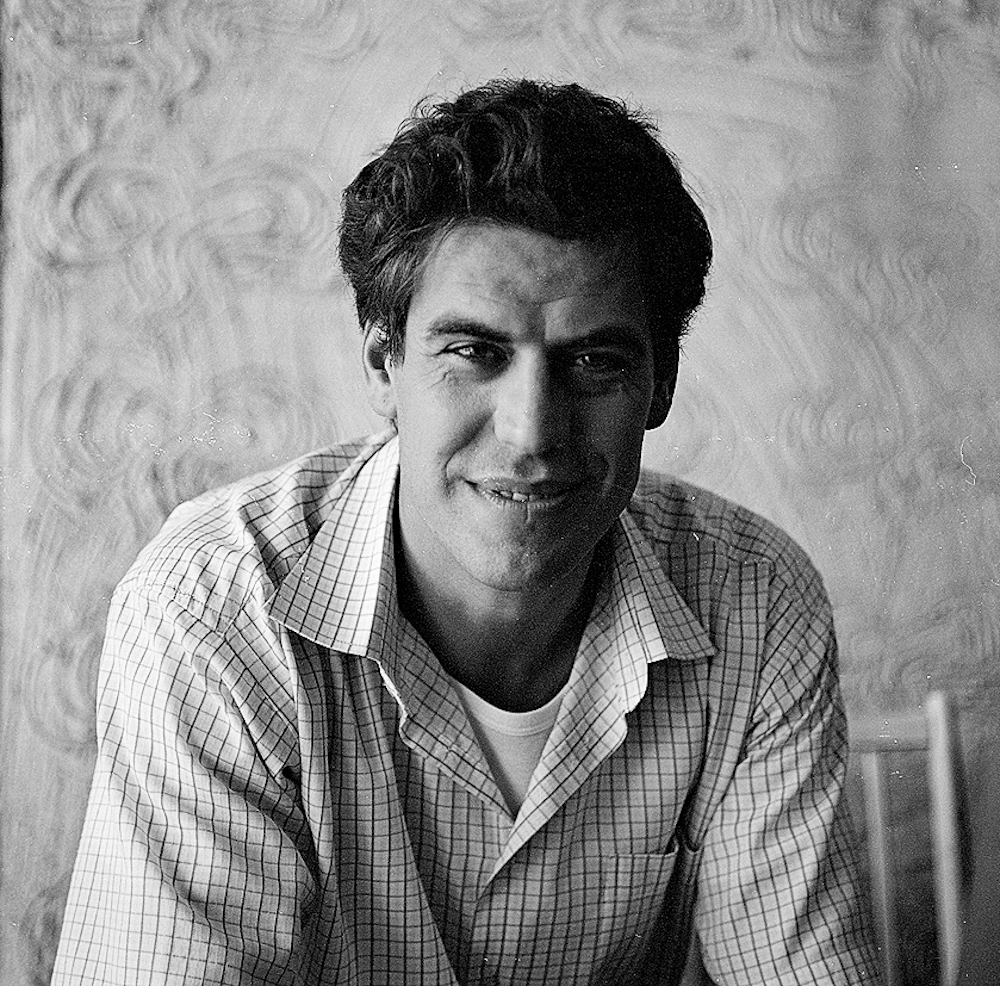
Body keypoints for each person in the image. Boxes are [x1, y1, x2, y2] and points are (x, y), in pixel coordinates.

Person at [52, 79, 880, 985]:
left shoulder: (755, 600)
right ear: (384, 364)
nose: (531, 432)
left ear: (662, 386)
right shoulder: (215, 609)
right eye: (475, 353)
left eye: (594, 361)